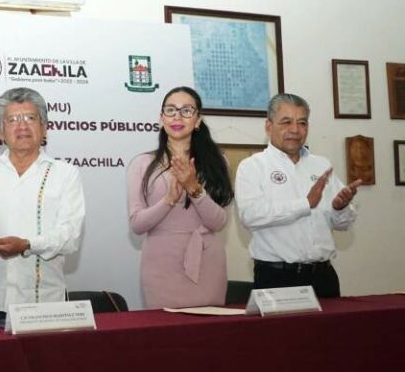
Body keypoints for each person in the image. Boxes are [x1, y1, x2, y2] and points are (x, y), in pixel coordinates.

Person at [0, 87, 85, 321]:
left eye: (30, 118)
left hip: (46, 303)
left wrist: (27, 245)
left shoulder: (65, 174)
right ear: (0, 131)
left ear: (44, 127)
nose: (22, 126)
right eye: (12, 120)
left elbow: (70, 236)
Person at [235, 93, 361, 298]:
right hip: (277, 277)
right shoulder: (253, 166)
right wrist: (305, 204)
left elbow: (343, 224)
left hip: (323, 276)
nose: (295, 130)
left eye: (302, 123)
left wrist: (340, 208)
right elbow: (250, 216)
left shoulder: (321, 165)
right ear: (268, 126)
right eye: (286, 122)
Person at [127, 86, 233, 309]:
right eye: (171, 110)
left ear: (198, 120)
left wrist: (194, 189)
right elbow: (137, 225)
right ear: (161, 118)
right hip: (160, 264)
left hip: (207, 261)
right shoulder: (142, 164)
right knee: (164, 329)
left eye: (186, 110)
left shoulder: (217, 161)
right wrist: (168, 200)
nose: (177, 116)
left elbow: (219, 222)